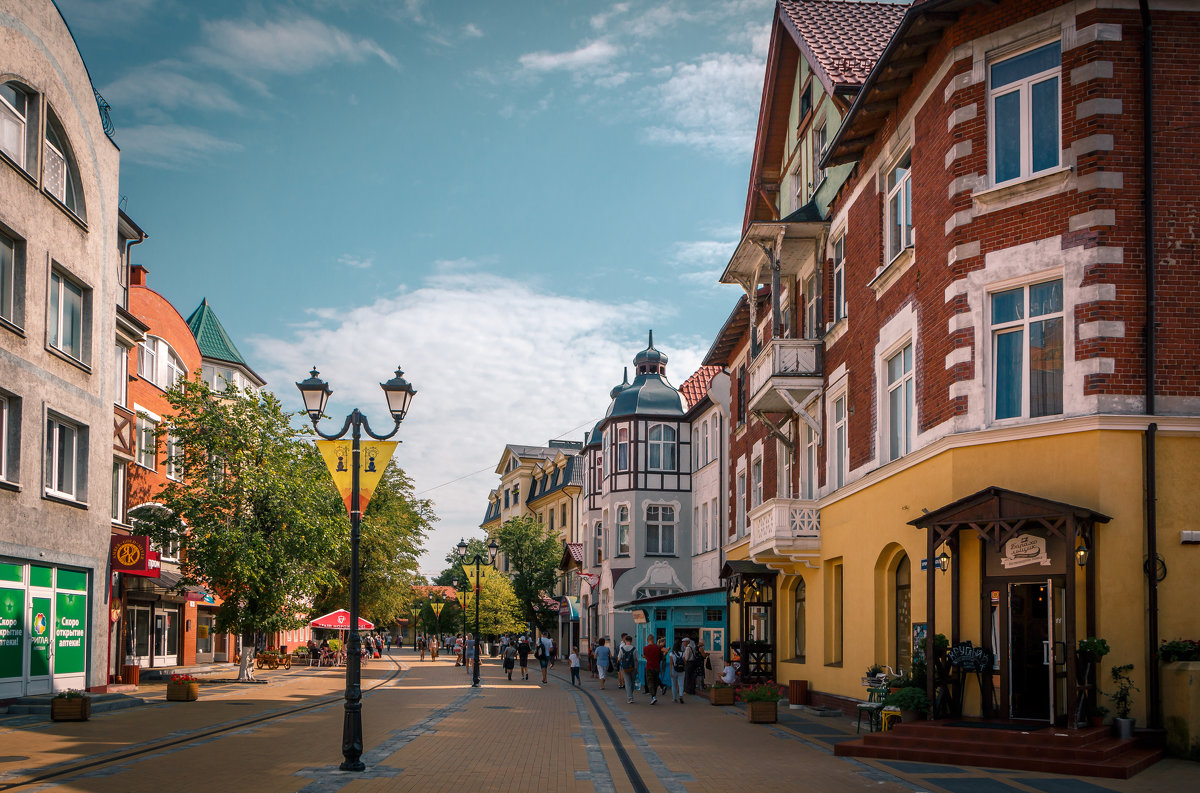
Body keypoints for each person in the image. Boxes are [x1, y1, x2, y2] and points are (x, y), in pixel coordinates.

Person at [642, 635, 662, 705]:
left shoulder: (645, 648)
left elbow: (646, 656)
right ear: (653, 640)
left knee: (650, 682)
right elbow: (660, 656)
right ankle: (654, 696)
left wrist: (645, 657)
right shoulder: (658, 647)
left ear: (648, 640)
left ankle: (653, 696)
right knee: (655, 682)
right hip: (657, 666)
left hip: (649, 666)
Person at [617, 635, 637, 704]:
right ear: (631, 641)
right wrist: (637, 669)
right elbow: (636, 660)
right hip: (633, 667)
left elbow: (619, 659)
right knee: (632, 682)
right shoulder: (634, 649)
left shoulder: (622, 649)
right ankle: (630, 694)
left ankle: (630, 698)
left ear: (625, 641)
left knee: (627, 682)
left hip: (625, 668)